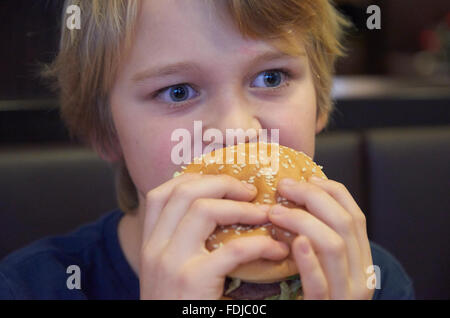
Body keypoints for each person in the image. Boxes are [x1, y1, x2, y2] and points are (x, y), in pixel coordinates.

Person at [0, 0, 414, 299]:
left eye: (271, 77)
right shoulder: (31, 286)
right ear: (107, 132)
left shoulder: (369, 278)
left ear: (320, 102)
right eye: (177, 91)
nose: (235, 133)